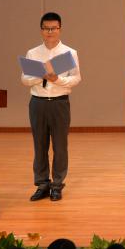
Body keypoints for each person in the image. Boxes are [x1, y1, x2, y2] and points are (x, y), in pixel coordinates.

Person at [22, 12, 81, 202]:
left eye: (53, 28)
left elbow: (76, 78)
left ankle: (56, 185)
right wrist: (41, 76)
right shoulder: (33, 53)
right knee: (39, 145)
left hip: (59, 103)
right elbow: (24, 79)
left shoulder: (69, 53)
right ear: (41, 30)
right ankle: (42, 184)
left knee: (60, 146)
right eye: (46, 28)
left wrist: (58, 79)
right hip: (38, 103)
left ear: (60, 29)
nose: (50, 32)